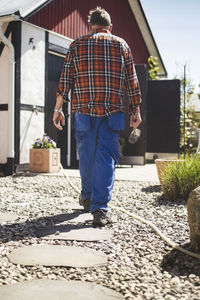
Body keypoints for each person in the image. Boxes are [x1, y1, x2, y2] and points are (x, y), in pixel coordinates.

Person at [53, 7, 142, 226]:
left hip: (83, 111)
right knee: (106, 157)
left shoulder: (77, 45)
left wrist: (58, 109)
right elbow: (132, 82)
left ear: (90, 26)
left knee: (86, 155)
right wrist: (136, 111)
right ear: (110, 27)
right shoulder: (121, 45)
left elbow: (66, 80)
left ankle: (86, 196)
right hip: (112, 112)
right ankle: (100, 209)